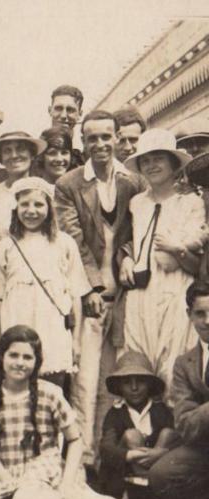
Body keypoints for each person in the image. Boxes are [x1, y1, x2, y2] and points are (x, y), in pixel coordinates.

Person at [54, 109, 147, 465]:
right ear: (84, 142)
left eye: (106, 136)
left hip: (125, 297)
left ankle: (107, 461)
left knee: (115, 380)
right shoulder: (69, 184)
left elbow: (136, 232)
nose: (101, 144)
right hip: (88, 298)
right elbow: (73, 241)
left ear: (116, 137)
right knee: (85, 384)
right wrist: (91, 288)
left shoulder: (133, 182)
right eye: (92, 138)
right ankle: (81, 460)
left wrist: (125, 255)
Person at [0, 325, 128, 499]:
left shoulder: (49, 393)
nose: (20, 363)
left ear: (37, 361)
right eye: (13, 355)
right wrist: (4, 477)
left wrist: (67, 482)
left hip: (42, 467)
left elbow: (75, 440)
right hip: (7, 467)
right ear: (1, 357)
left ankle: (79, 497)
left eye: (27, 357)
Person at [0, 177, 90, 387]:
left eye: (39, 204)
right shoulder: (6, 246)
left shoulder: (64, 243)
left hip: (52, 328)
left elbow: (76, 296)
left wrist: (76, 340)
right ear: (16, 208)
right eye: (24, 204)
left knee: (53, 385)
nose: (31, 211)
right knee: (17, 385)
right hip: (16, 322)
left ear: (50, 208)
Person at [119, 129, 202, 393]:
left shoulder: (190, 203)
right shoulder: (136, 203)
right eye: (146, 160)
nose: (152, 165)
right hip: (142, 289)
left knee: (173, 352)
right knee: (142, 355)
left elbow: (195, 259)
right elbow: (130, 240)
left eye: (159, 159)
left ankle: (175, 428)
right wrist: (126, 259)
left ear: (173, 163)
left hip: (175, 286)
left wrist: (177, 251)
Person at [148, 280, 209, 499]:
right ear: (189, 315)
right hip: (202, 447)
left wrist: (199, 412)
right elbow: (184, 423)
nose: (207, 321)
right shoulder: (184, 364)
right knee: (160, 474)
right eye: (200, 314)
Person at [97, 351, 176, 499]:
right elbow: (106, 448)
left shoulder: (161, 410)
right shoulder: (115, 413)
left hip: (157, 469)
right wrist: (132, 455)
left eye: (140, 381)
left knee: (168, 433)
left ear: (150, 384)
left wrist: (162, 452)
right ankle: (136, 492)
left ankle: (151, 489)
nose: (134, 388)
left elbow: (178, 441)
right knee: (132, 436)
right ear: (119, 386)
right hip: (124, 477)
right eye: (127, 382)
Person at [0, 131, 46, 281]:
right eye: (7, 151)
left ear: (32, 154)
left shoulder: (47, 193)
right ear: (1, 158)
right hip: (0, 280)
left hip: (41, 279)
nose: (14, 155)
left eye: (20, 149)